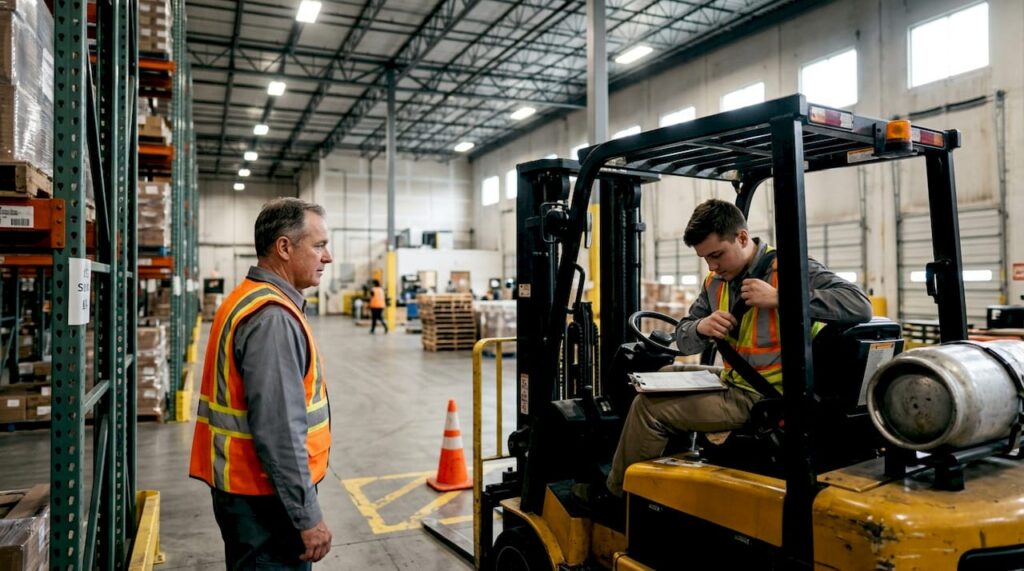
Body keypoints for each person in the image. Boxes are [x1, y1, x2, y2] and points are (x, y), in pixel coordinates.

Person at [605, 198, 872, 497]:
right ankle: (668, 475)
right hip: (734, 378)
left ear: (742, 238)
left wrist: (782, 297)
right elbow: (683, 334)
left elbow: (860, 305)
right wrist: (701, 327)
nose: (713, 265)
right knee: (660, 376)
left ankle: (618, 496)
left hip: (767, 397)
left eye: (717, 255)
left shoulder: (790, 267)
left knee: (647, 408)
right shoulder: (715, 281)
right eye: (705, 258)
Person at [190, 198, 334, 568]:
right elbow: (280, 430)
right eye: (319, 245)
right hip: (266, 500)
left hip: (249, 493)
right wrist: (307, 516)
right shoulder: (272, 318)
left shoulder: (246, 298)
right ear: (284, 247)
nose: (327, 257)